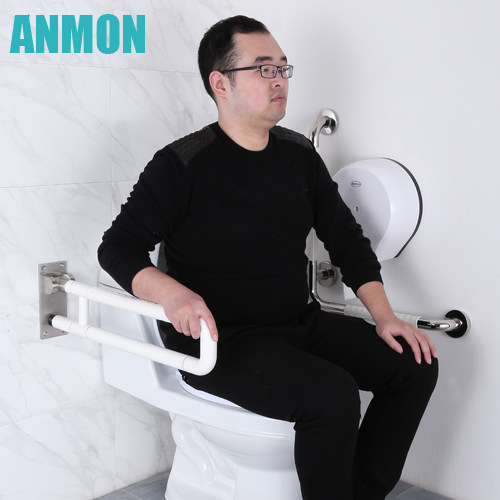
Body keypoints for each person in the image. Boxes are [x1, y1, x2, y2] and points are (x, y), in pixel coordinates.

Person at [98, 15, 438, 500]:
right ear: (221, 83)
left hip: (297, 324)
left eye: (282, 68)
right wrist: (171, 294)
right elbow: (117, 247)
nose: (279, 79)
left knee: (414, 366)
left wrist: (385, 317)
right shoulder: (181, 164)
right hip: (221, 343)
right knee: (332, 394)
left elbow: (346, 240)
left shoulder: (300, 156)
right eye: (263, 69)